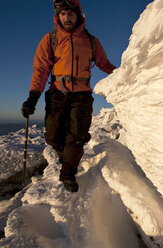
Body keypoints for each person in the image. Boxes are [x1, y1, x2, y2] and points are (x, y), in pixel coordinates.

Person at [21, 0, 116, 192]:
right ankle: (68, 159)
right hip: (57, 94)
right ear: (58, 15)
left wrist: (127, 75)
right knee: (53, 136)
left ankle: (68, 174)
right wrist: (33, 97)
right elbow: (40, 70)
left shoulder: (91, 41)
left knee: (78, 136)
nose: (67, 18)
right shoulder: (50, 39)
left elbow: (105, 65)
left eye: (70, 13)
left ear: (78, 15)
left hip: (82, 95)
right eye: (63, 14)